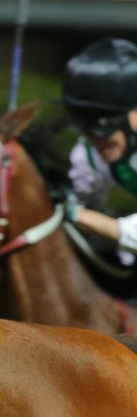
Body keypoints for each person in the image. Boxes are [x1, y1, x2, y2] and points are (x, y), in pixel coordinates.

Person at [61, 37, 137, 270]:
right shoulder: (88, 155)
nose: (93, 139)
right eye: (83, 125)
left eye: (101, 124)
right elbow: (85, 209)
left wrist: (73, 213)